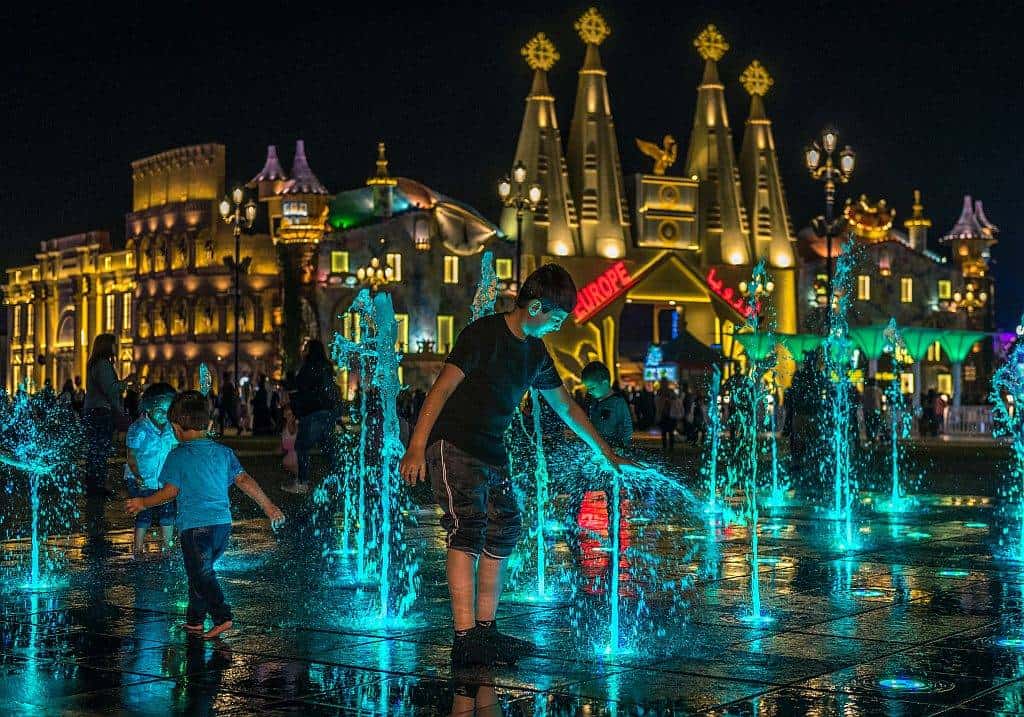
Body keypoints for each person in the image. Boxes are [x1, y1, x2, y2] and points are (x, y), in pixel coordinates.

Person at [399, 264, 634, 667]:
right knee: (467, 527)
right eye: (556, 319)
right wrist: (416, 447)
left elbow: (566, 407)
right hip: (453, 443)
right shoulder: (483, 335)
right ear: (536, 306)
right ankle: (464, 636)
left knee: (506, 526)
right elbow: (440, 390)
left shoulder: (536, 352)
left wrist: (605, 452)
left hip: (491, 449)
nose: (557, 327)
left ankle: (486, 630)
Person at [125, 391, 285, 640]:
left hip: (195, 529)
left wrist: (143, 503)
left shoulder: (177, 455)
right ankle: (195, 621)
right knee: (198, 573)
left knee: (202, 574)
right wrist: (268, 506)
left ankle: (222, 616)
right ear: (206, 423)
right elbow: (243, 480)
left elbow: (169, 492)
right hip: (222, 527)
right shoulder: (223, 452)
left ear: (176, 427)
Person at [124, 382, 179, 558]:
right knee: (144, 513)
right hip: (139, 478)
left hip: (163, 479)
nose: (164, 415)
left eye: (168, 411)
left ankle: (167, 548)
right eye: (159, 410)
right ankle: (138, 548)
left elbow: (180, 447)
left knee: (168, 510)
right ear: (148, 407)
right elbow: (131, 455)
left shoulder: (172, 429)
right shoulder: (139, 428)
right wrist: (137, 475)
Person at [286, 339, 340, 494]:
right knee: (329, 449)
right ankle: (338, 480)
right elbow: (331, 390)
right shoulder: (326, 367)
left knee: (302, 447)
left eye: (306, 348)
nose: (304, 351)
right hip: (327, 412)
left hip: (313, 412)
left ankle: (302, 482)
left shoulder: (308, 368)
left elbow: (301, 388)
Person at [83, 333, 130, 501]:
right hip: (100, 412)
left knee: (96, 449)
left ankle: (94, 485)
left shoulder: (96, 364)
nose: (115, 348)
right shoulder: (102, 364)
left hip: (94, 411)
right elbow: (110, 389)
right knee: (99, 450)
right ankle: (96, 486)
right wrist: (126, 383)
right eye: (113, 344)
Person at [581, 361, 633, 449]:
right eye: (587, 388)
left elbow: (626, 426)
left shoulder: (618, 402)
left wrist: (623, 446)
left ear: (605, 383)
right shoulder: (593, 402)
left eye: (592, 388)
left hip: (614, 448)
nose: (589, 391)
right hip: (598, 446)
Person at [655, 386, 677, 452]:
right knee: (666, 433)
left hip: (670, 418)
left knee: (669, 433)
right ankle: (667, 446)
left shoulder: (673, 401)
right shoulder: (661, 400)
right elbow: (659, 409)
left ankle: (670, 446)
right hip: (665, 418)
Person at [862, 378, 883, 445]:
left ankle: (869, 438)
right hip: (877, 410)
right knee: (876, 425)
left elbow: (863, 400)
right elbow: (882, 401)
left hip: (867, 410)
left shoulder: (866, 391)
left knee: (868, 425)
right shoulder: (879, 390)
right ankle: (875, 438)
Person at [280, 404, 298, 477]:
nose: (288, 416)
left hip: (294, 456)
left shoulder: (291, 425)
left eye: (290, 414)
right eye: (287, 414)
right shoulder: (286, 426)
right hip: (291, 455)